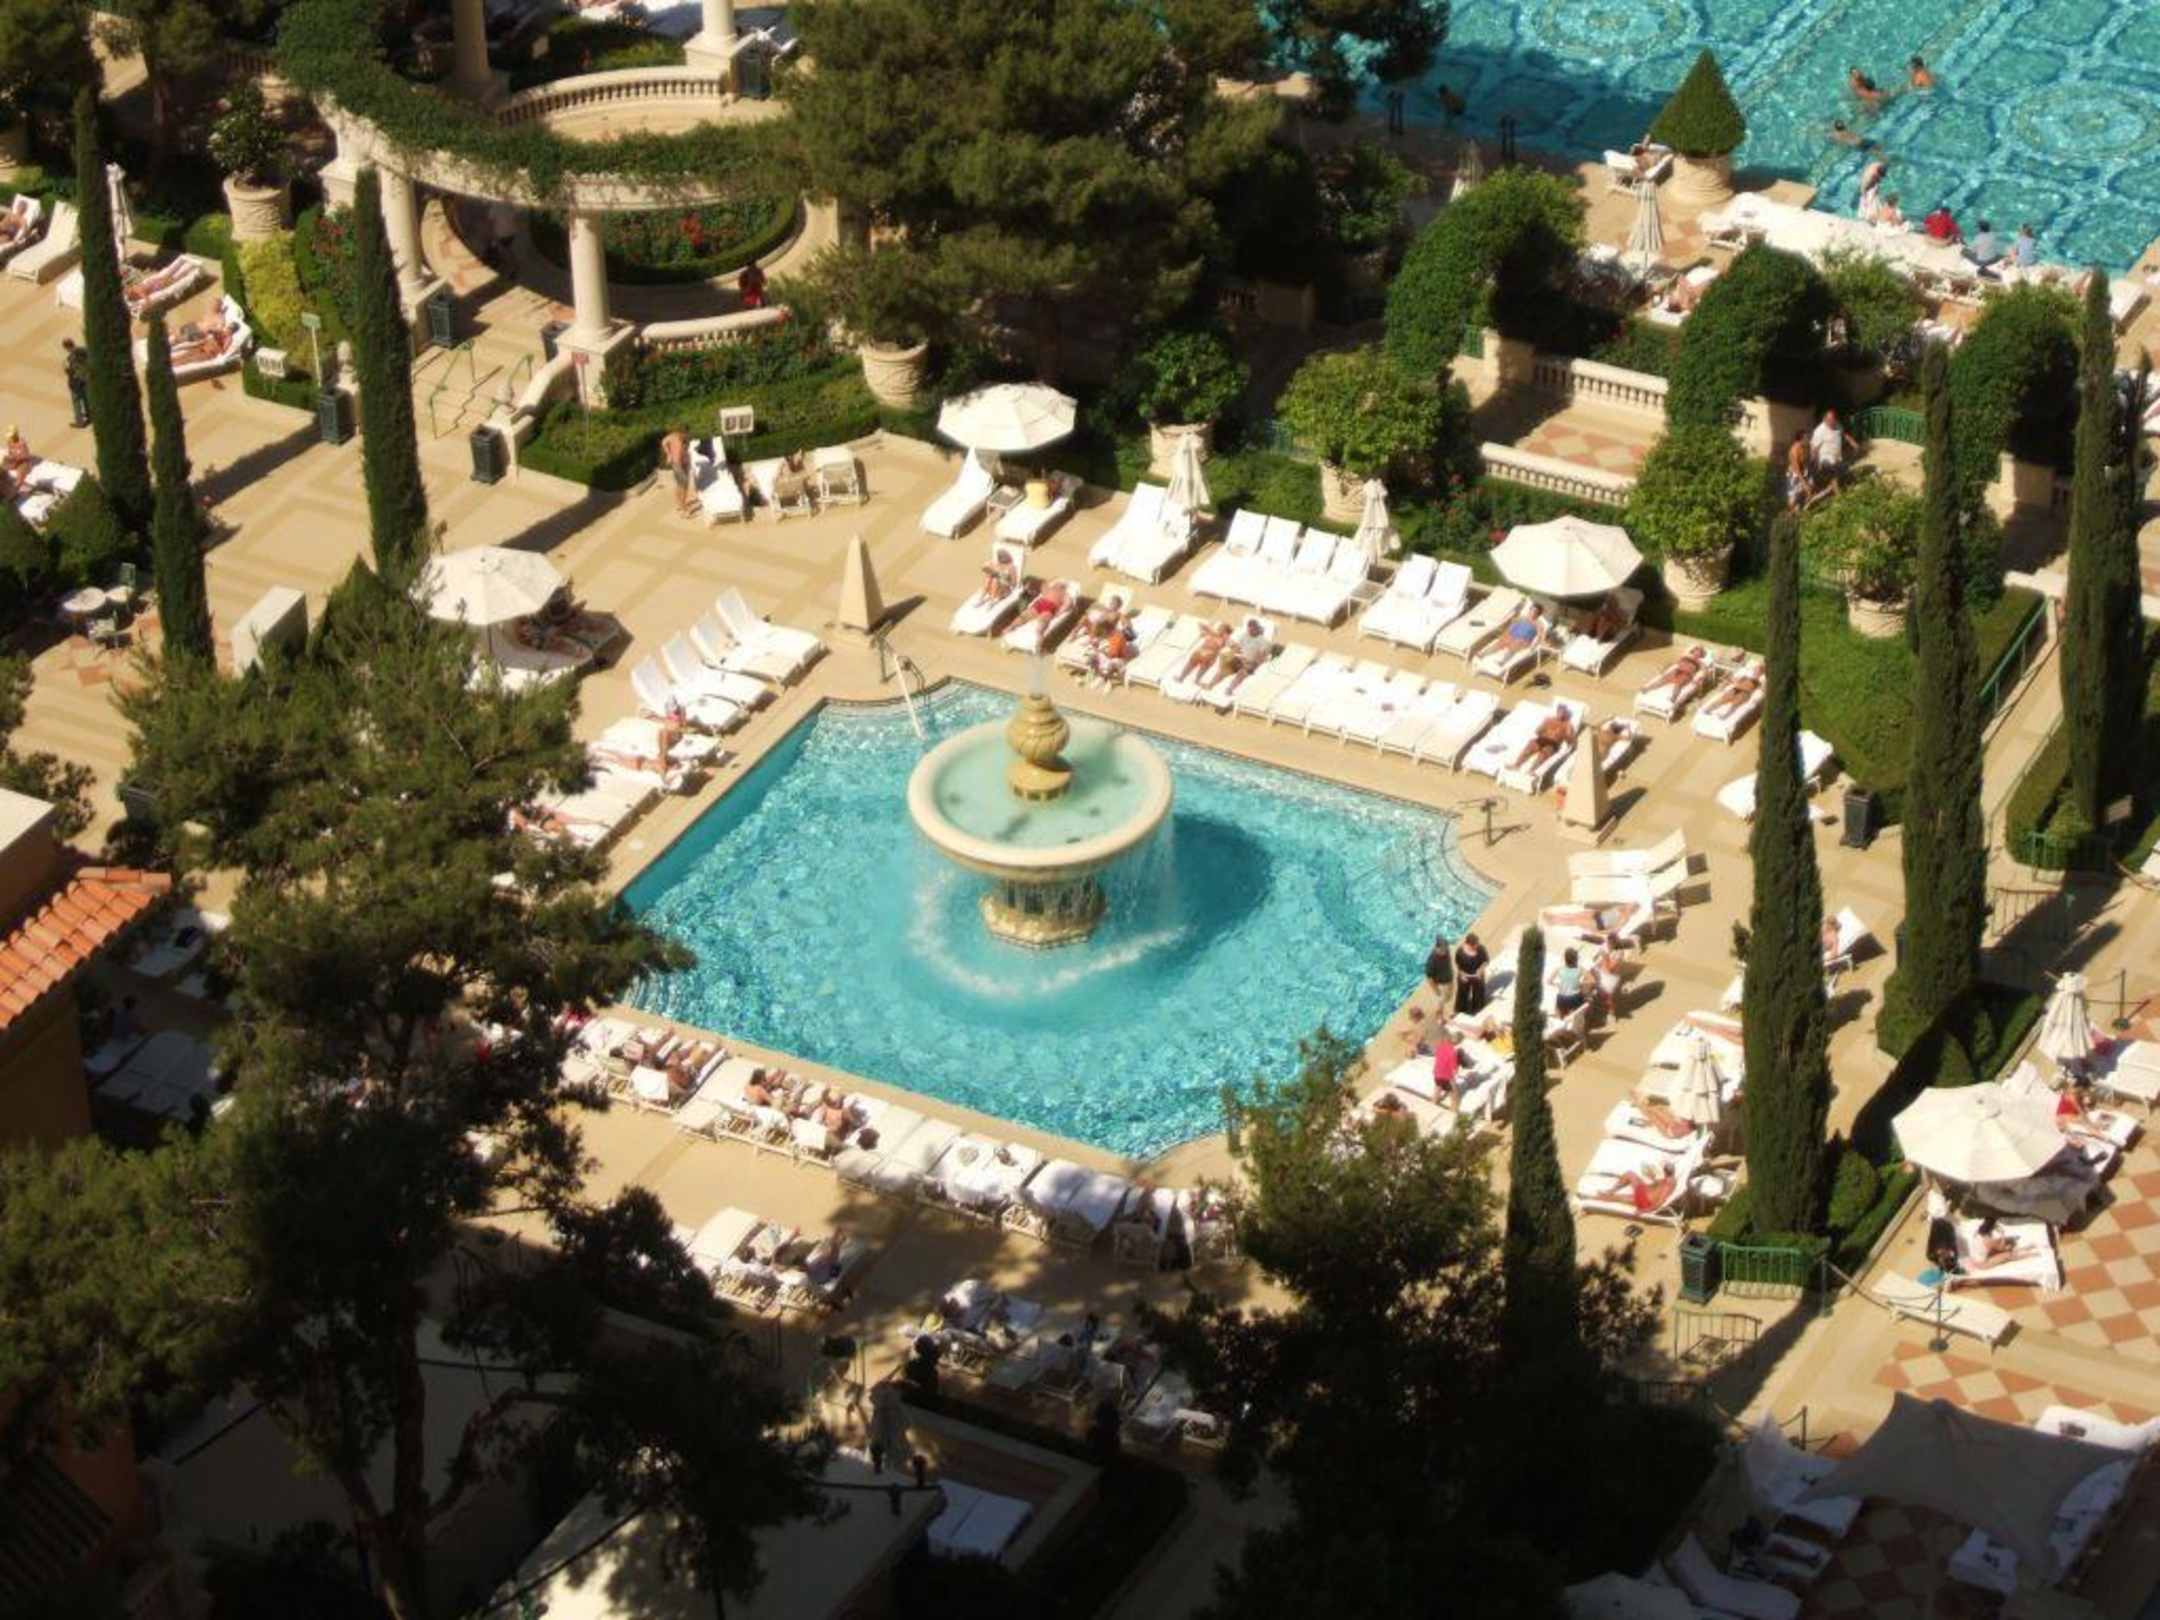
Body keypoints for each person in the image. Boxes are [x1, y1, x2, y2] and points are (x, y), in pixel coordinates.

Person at [1511, 708, 1577, 772]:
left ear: (1568, 715)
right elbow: (1537, 731)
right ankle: (1516, 765)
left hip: (1553, 744)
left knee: (1546, 751)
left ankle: (1532, 770)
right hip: (1542, 739)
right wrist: (1544, 729)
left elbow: (1571, 742)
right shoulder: (1549, 719)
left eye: (1565, 713)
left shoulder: (1569, 726)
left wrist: (1568, 735)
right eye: (1560, 712)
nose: (1562, 714)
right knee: (1531, 745)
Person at [1809, 407, 1858, 486]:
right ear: (1824, 419)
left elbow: (1844, 434)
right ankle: (1838, 490)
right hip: (1826, 459)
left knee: (1841, 474)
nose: (1832, 422)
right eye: (1829, 420)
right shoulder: (1819, 431)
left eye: (1833, 419)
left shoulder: (1838, 425)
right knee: (1834, 476)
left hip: (1837, 457)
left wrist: (1853, 443)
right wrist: (1815, 463)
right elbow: (1814, 448)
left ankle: (1839, 488)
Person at [1640, 645, 1708, 695]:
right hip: (1678, 670)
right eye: (1696, 650)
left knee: (1679, 684)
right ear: (1693, 651)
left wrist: (1699, 677)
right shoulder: (1686, 656)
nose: (1697, 652)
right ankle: (1647, 689)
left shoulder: (1701, 662)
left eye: (1699, 652)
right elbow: (1678, 661)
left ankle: (1673, 698)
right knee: (1664, 680)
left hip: (1686, 674)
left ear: (1701, 655)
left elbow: (1704, 671)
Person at [660, 427, 696, 516]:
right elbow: (664, 442)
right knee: (684, 484)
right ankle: (684, 509)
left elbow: (685, 449)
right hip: (676, 463)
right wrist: (668, 454)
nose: (686, 436)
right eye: (684, 435)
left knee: (681, 484)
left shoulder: (686, 439)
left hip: (684, 462)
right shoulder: (673, 436)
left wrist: (687, 459)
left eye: (686, 435)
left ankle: (680, 504)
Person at [1453, 933, 1490, 1015]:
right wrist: (1462, 975)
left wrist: (1480, 970)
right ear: (1468, 944)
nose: (1477, 946)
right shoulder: (1460, 952)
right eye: (1475, 945)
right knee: (1462, 994)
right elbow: (1458, 966)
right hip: (1465, 976)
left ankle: (1477, 1009)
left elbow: (1486, 961)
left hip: (1477, 976)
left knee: (1478, 993)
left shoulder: (1481, 949)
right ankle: (1460, 1010)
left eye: (1477, 944)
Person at [61, 339, 90, 428]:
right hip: (86, 379)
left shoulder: (70, 358)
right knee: (86, 399)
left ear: (67, 347)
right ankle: (90, 416)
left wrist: (67, 370)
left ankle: (79, 422)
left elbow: (71, 371)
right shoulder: (83, 350)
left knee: (76, 402)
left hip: (76, 382)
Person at [1551, 947, 1587, 1018]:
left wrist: (1558, 984)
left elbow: (1549, 981)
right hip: (1574, 998)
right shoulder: (1580, 969)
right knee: (1571, 1017)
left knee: (1559, 1016)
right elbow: (1592, 980)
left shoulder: (1559, 968)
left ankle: (1558, 1019)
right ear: (1576, 959)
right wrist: (1580, 983)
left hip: (1562, 997)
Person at [1784, 432, 1816, 510]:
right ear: (1802, 439)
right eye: (1806, 438)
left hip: (1803, 471)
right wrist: (1804, 483)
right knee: (1792, 498)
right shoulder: (1794, 450)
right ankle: (1791, 512)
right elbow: (1796, 470)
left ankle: (1801, 509)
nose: (1808, 440)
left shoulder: (1803, 447)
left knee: (1808, 490)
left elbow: (1806, 461)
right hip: (1794, 475)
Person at [1431, 1029, 1462, 1094]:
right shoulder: (1453, 1051)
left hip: (1437, 1071)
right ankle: (1455, 1099)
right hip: (1446, 1075)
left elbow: (1436, 1054)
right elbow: (1454, 1066)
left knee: (1438, 1088)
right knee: (1454, 1090)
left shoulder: (1441, 1045)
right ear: (1458, 1042)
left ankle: (1434, 1099)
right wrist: (1456, 1071)